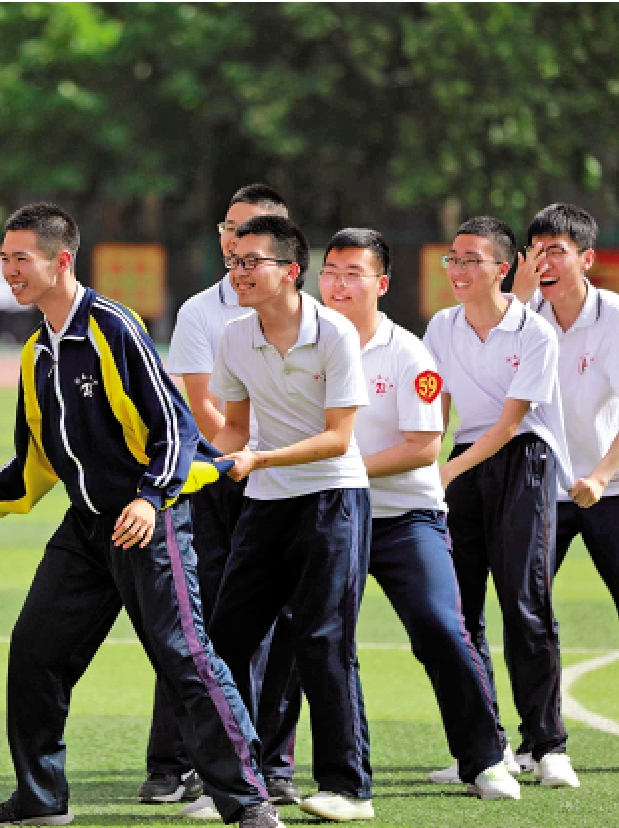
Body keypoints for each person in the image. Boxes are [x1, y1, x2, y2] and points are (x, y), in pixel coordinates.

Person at [0, 203, 282, 828]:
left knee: (185, 656)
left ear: (60, 260)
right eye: (4, 259)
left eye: (22, 258)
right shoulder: (37, 352)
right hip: (87, 527)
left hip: (152, 517)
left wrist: (150, 500)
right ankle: (41, 799)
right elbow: (39, 458)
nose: (10, 270)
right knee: (35, 649)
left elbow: (175, 431)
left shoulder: (112, 326)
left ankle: (249, 802)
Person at [319, 228, 520, 800]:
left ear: (380, 283)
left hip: (406, 519)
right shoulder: (303, 345)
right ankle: (285, 773)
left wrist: (344, 467)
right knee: (317, 638)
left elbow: (423, 447)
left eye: (353, 272)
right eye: (330, 270)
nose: (337, 282)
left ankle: (484, 760)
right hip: (331, 516)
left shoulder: (411, 353)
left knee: (440, 627)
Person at [205, 216, 375, 822]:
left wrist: (259, 456)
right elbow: (232, 423)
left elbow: (338, 438)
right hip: (265, 502)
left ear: (290, 271)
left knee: (323, 640)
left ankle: (349, 788)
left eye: (254, 262)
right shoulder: (232, 336)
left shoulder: (335, 334)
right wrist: (205, 460)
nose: (240, 272)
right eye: (235, 262)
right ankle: (233, 781)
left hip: (333, 497)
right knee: (224, 640)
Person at [511, 203, 619, 773]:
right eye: (536, 249)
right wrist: (515, 302)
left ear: (586, 259)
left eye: (557, 250)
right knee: (526, 610)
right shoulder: (523, 315)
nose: (545, 261)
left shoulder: (617, 316)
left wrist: (602, 476)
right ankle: (535, 736)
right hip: (549, 488)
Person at [146, 184, 301, 814]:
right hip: (217, 479)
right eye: (233, 228)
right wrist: (239, 458)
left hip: (284, 482)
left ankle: (275, 762)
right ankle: (171, 761)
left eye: (257, 231)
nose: (241, 241)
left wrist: (271, 460)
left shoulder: (308, 314)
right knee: (195, 620)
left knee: (285, 624)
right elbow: (203, 405)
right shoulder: (199, 313)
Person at [422, 216, 580, 789]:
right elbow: (436, 409)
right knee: (459, 612)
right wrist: (428, 465)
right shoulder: (440, 326)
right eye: (453, 259)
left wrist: (449, 470)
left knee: (525, 600)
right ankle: (487, 747)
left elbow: (512, 423)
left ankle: (548, 746)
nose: (458, 271)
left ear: (503, 267)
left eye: (471, 260)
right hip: (464, 463)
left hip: (525, 462)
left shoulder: (534, 333)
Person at [0, 244, 39, 344]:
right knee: (4, 319)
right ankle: (6, 336)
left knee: (18, 319)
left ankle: (18, 337)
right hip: (1, 297)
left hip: (11, 297)